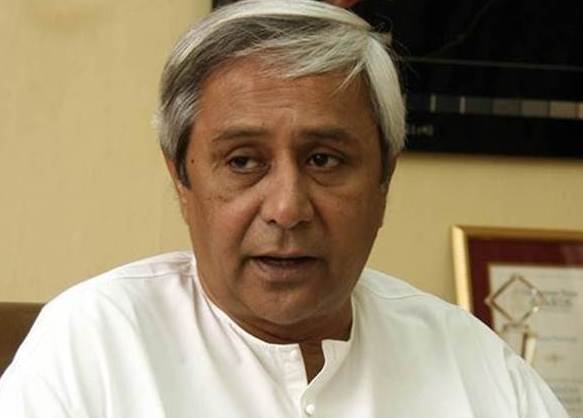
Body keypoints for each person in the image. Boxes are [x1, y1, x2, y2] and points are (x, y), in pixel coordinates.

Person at [0, 0, 569, 417]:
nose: (287, 208)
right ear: (182, 180)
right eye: (243, 162)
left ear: (384, 180)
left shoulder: (471, 362)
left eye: (324, 159)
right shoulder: (94, 343)